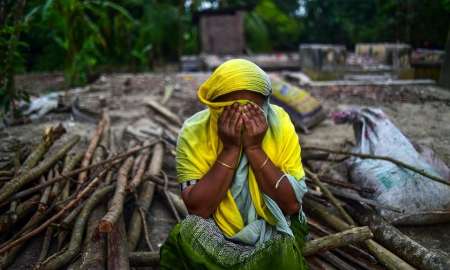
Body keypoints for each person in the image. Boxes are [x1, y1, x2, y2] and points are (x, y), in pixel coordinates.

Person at [160, 59, 309, 269]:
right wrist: (230, 149)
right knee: (185, 234)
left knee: (282, 250)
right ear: (214, 108)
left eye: (250, 112)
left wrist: (255, 149)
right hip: (217, 229)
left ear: (264, 107)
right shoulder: (194, 132)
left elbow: (291, 205)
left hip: (275, 224)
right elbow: (198, 208)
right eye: (230, 112)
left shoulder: (280, 125)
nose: (241, 120)